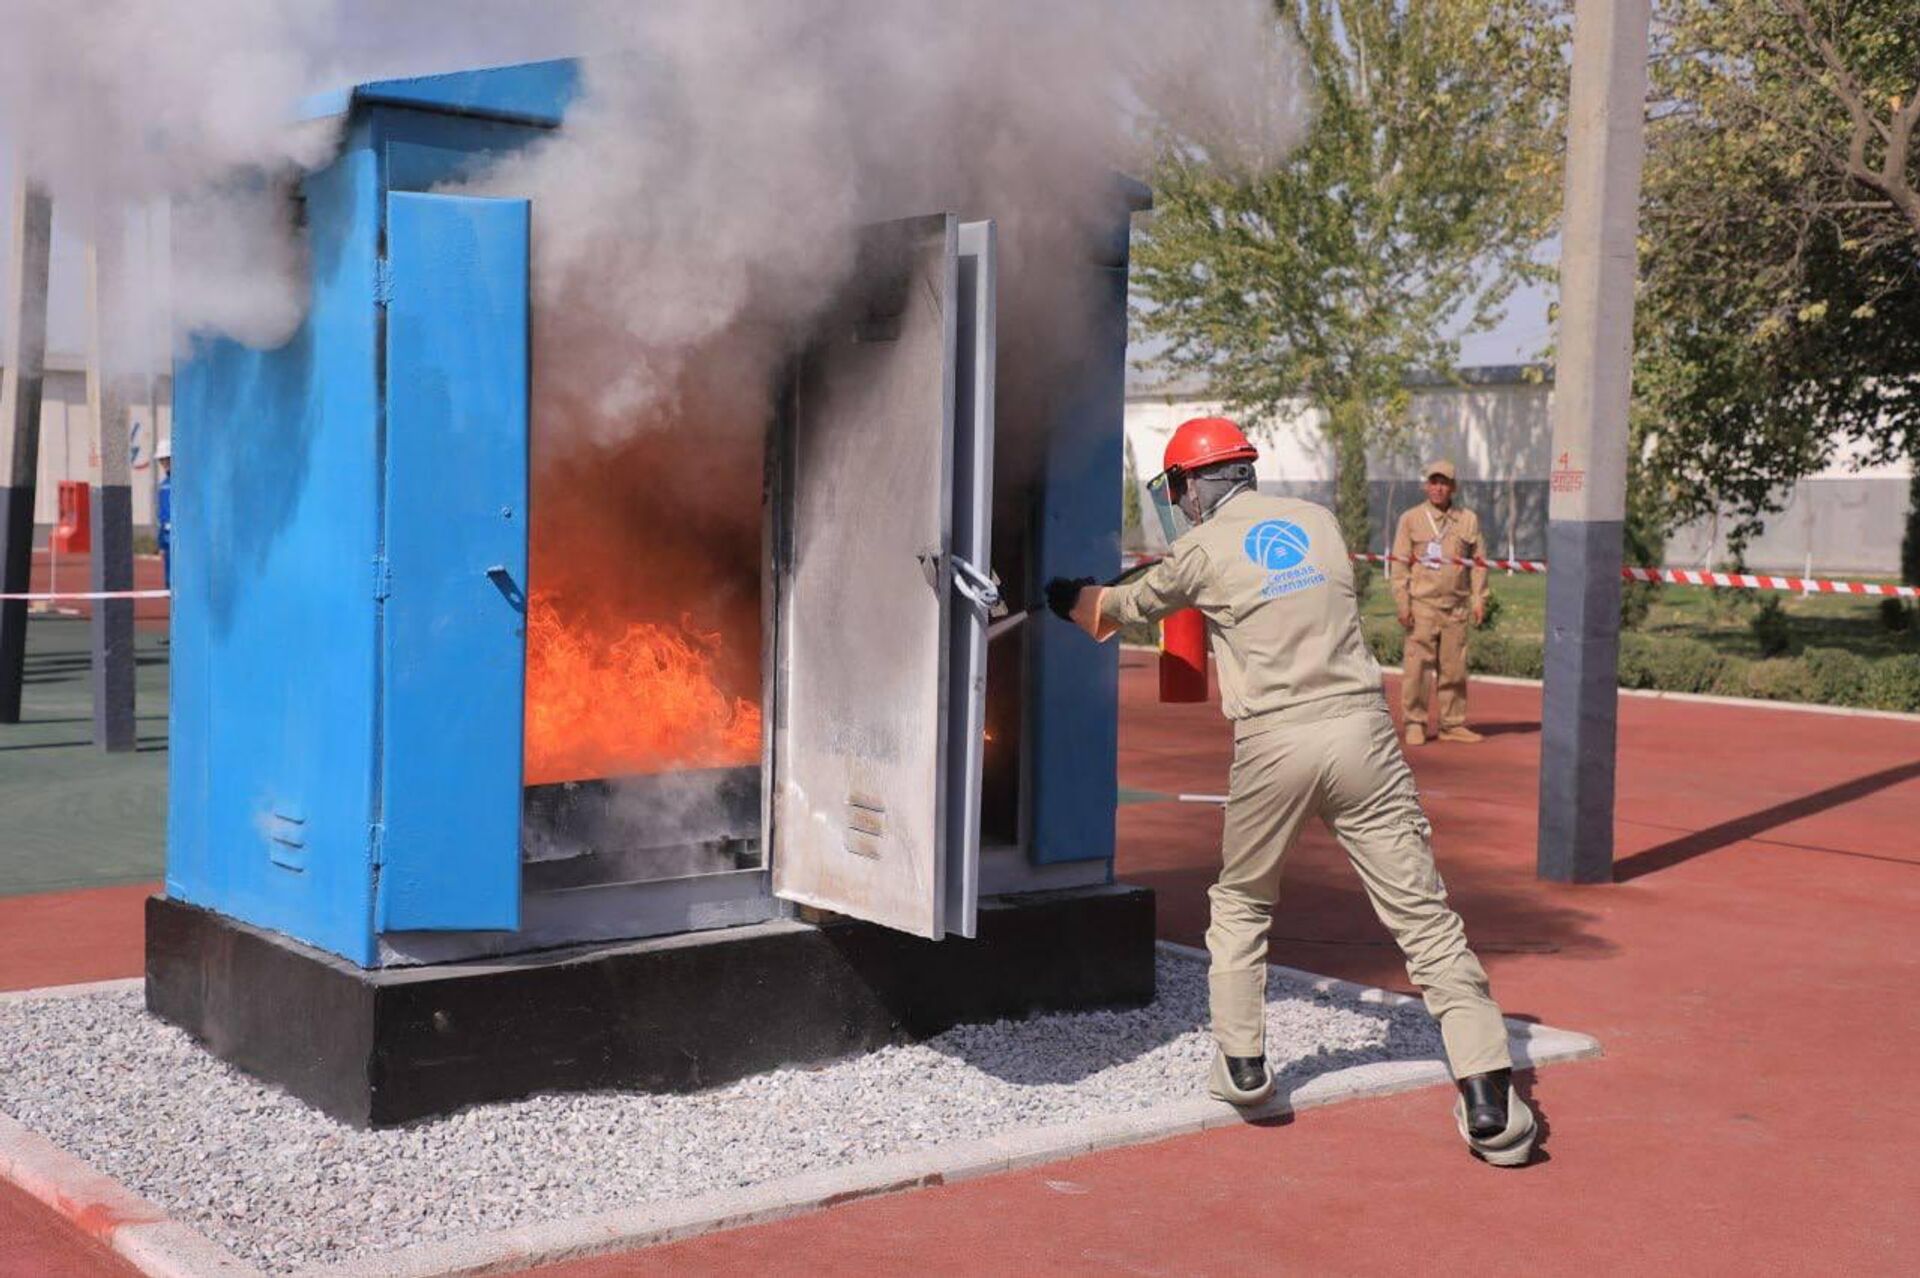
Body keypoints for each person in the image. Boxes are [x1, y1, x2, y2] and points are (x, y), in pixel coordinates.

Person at [1045, 417, 1535, 1165]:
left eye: (1176, 489)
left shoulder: (1199, 547)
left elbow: (1125, 610)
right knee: (1423, 916)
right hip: (1362, 734)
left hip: (1275, 742)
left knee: (1242, 900)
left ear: (1187, 487)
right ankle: (1488, 1094)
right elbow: (1273, 585)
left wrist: (1070, 598)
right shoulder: (1319, 523)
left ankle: (1243, 1068)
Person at [1390, 460, 1487, 746]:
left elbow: (1479, 563)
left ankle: (1452, 723)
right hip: (1422, 606)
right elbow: (1399, 565)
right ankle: (1415, 722)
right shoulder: (1411, 519)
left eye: (1444, 482)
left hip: (1455, 606)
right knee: (1417, 670)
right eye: (1433, 482)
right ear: (1425, 485)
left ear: (1453, 487)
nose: (1438, 488)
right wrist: (1402, 603)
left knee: (1454, 668)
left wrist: (1479, 598)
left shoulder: (1468, 520)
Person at [155, 438, 173, 589]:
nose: (164, 463)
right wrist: (160, 542)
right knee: (169, 582)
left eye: (167, 459)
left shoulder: (186, 484)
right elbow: (162, 516)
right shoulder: (163, 485)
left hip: (183, 539)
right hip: (167, 536)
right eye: (162, 460)